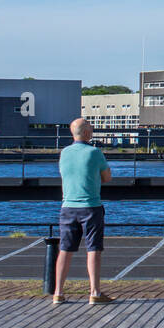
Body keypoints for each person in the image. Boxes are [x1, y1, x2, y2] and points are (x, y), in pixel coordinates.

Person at [53, 117, 113, 304]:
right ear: (87, 133)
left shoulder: (64, 153)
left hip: (68, 206)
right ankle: (94, 292)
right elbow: (107, 177)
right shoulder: (94, 152)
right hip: (90, 206)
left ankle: (58, 292)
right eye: (91, 128)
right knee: (93, 249)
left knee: (65, 249)